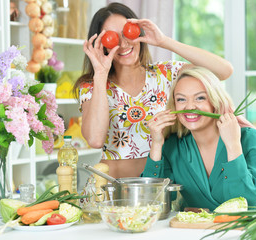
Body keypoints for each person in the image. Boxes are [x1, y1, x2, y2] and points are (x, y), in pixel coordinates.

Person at [74, 2, 233, 178]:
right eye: (112, 38)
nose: (123, 44)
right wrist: (101, 74)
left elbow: (224, 71)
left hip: (159, 186)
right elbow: (95, 140)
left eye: (127, 33)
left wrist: (164, 41)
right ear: (101, 44)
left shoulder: (165, 74)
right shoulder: (93, 85)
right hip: (112, 189)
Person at [141, 66, 256, 211]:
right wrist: (157, 144)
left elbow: (249, 202)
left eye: (200, 98)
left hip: (241, 231)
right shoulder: (172, 145)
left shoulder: (250, 138)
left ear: (216, 101)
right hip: (193, 231)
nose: (189, 106)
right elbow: (151, 202)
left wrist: (233, 146)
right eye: (181, 99)